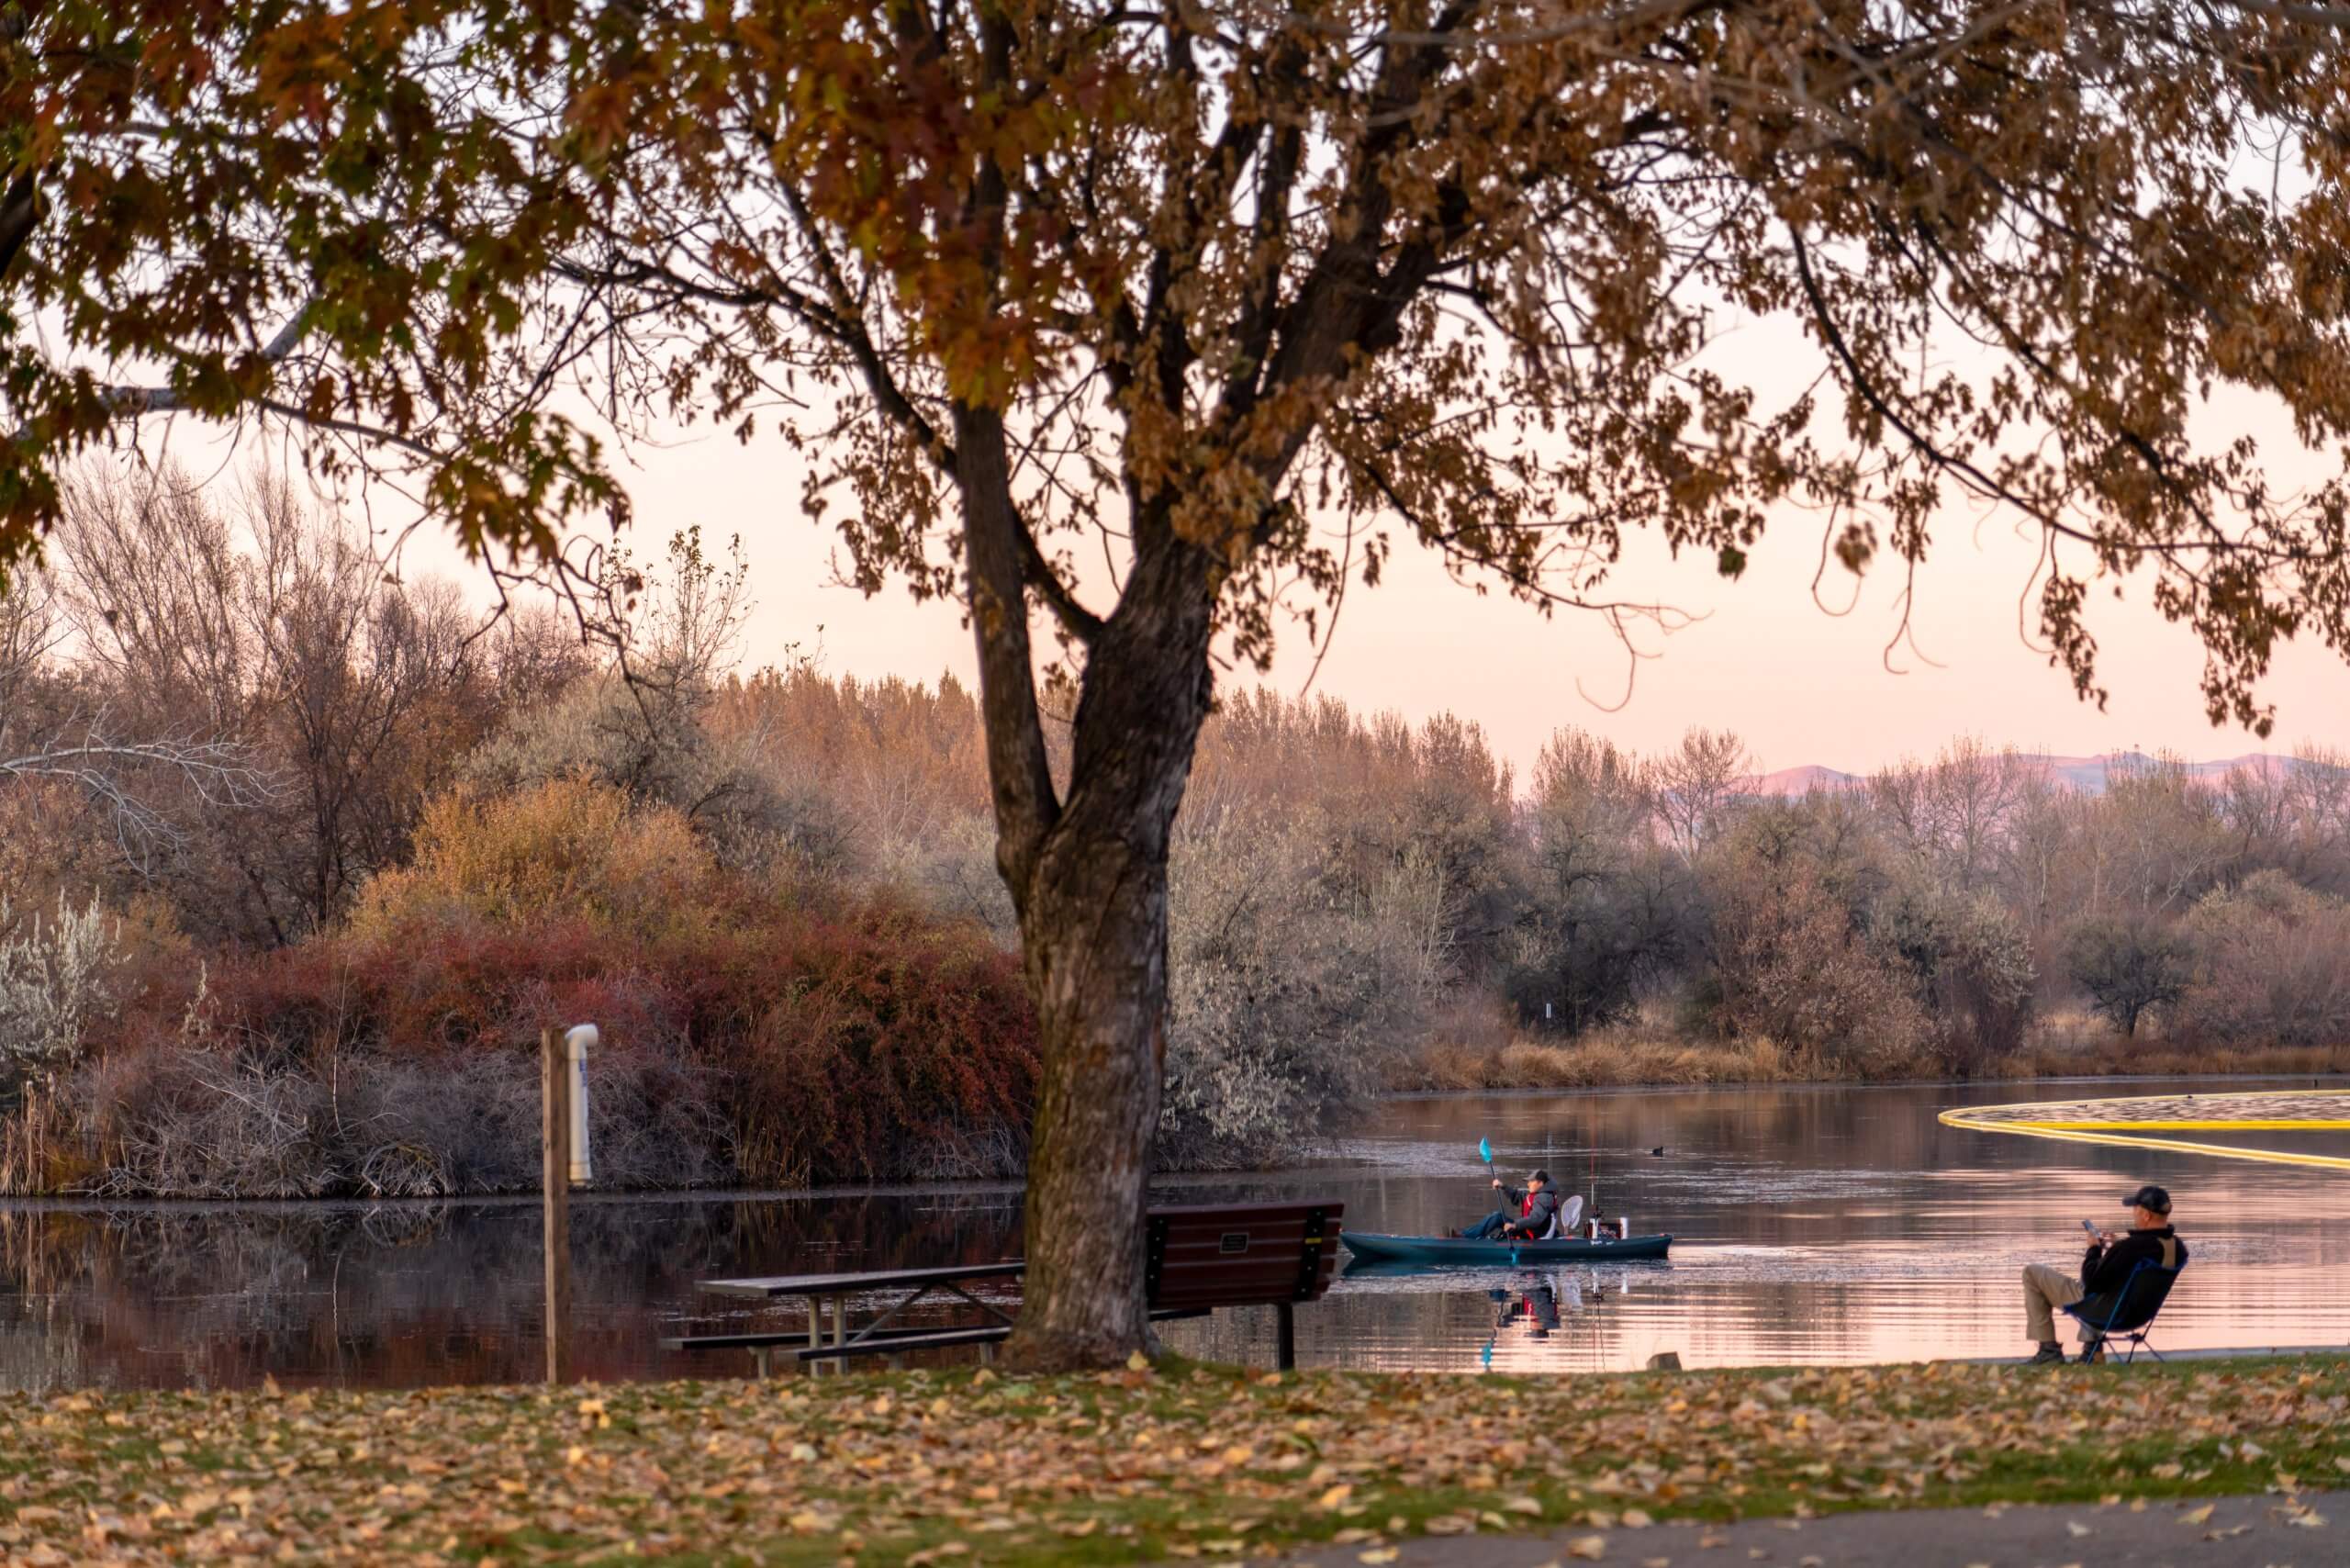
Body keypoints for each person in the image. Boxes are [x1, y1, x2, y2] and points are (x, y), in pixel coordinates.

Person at [2022, 1184, 2188, 1364]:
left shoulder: (2130, 1248)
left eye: (2135, 1209)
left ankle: (2049, 1351)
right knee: (2105, 1288)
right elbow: (2139, 1256)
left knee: (2032, 1273)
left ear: (2146, 1215)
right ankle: (2092, 1351)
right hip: (2139, 1315)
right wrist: (2115, 1250)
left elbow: (2091, 1282)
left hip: (2109, 1314)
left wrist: (2094, 1249)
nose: (2132, 1213)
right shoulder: (2178, 1248)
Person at [1456, 1170, 1561, 1240]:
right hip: (1528, 1231)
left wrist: (1515, 1225)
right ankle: (1467, 1236)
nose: (1528, 1183)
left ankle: (1466, 1237)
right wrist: (1502, 1186)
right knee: (1496, 1217)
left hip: (1536, 1236)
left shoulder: (1544, 1197)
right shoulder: (1536, 1194)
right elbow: (1517, 1196)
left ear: (1540, 1183)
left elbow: (1535, 1219)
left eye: (1531, 1181)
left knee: (1497, 1217)